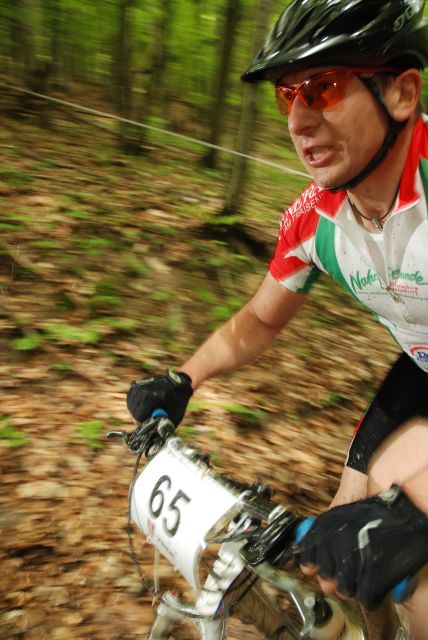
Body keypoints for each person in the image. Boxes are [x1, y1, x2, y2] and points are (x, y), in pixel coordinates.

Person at [127, 0, 428, 636]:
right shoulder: (313, 218)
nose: (297, 120)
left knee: (419, 572)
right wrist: (184, 379)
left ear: (402, 93)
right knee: (347, 529)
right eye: (287, 96)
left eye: (324, 89)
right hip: (420, 364)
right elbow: (259, 322)